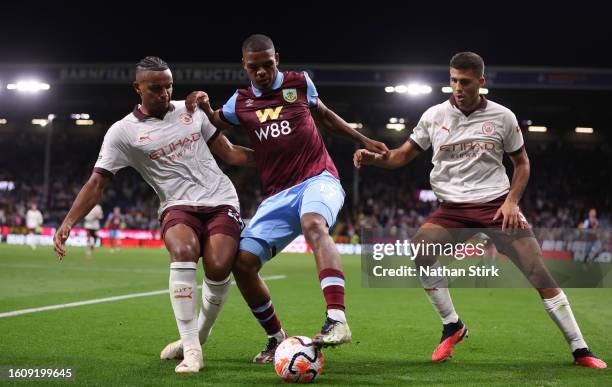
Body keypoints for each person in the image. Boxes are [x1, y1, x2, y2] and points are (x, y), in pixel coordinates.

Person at [353, 52, 606, 369]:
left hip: (496, 206)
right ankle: (452, 325)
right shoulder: (433, 116)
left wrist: (512, 201)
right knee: (420, 249)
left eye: (465, 82)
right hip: (452, 210)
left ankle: (580, 349)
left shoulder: (503, 117)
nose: (458, 88)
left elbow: (522, 163)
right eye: (453, 80)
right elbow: (401, 155)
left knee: (537, 271)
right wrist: (376, 159)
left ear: (481, 82)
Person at [173, 34, 388, 363]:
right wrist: (199, 103)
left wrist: (364, 139)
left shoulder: (299, 83)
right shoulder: (239, 102)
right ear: (244, 66)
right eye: (254, 67)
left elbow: (326, 116)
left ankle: (337, 319)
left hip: (318, 179)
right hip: (276, 195)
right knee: (242, 263)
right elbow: (212, 124)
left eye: (267, 64)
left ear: (277, 59)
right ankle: (276, 338)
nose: (261, 72)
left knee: (314, 224)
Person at [53, 56, 256, 374]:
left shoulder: (191, 111)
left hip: (220, 199)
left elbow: (230, 153)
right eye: (156, 87)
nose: (164, 93)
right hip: (176, 205)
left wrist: (282, 157)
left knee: (218, 268)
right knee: (183, 252)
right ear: (138, 88)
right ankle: (192, 350)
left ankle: (200, 334)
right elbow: (97, 182)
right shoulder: (122, 132)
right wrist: (68, 222)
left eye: (169, 86)